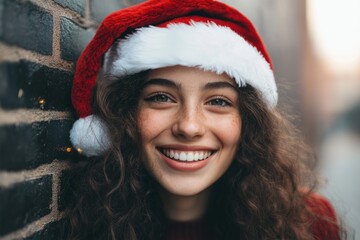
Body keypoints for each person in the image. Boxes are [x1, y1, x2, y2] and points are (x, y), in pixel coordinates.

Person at [66, 0, 342, 239]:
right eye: (162, 97)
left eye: (218, 102)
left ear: (248, 122)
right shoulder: (87, 223)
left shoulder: (312, 224)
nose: (189, 126)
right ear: (127, 114)